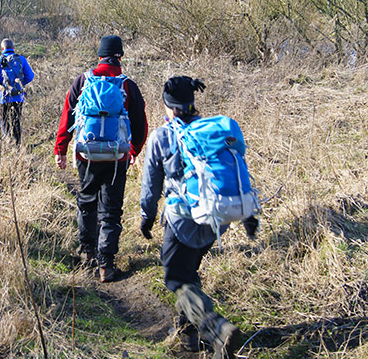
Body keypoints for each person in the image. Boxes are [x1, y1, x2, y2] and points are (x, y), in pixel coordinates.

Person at [139, 75, 258, 359]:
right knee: (189, 271)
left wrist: (147, 216)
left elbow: (151, 185)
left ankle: (217, 329)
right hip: (218, 218)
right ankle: (188, 336)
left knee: (177, 279)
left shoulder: (162, 136)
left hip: (183, 221)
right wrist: (249, 216)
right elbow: (238, 171)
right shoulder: (214, 132)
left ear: (168, 106)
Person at [54, 35, 148, 282]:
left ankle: (87, 254)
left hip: (87, 153)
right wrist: (134, 152)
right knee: (112, 209)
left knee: (86, 200)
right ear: (120, 57)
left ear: (99, 55)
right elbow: (140, 125)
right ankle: (106, 264)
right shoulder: (127, 85)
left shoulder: (83, 81)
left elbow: (68, 116)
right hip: (117, 156)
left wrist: (61, 149)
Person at [0, 38, 35, 145]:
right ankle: (18, 144)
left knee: (4, 121)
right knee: (16, 121)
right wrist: (21, 83)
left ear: (2, 48)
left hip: (3, 97)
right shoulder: (21, 59)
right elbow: (30, 76)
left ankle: (8, 142)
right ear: (13, 48)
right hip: (18, 96)